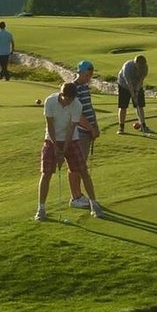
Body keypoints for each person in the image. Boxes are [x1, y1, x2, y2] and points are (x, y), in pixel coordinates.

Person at [36, 81, 102, 221]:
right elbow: (50, 126)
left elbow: (72, 128)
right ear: (61, 94)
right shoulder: (50, 101)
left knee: (83, 171)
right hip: (51, 139)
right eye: (67, 99)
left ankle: (94, 205)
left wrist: (63, 150)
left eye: (72, 99)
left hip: (71, 140)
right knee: (46, 173)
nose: (70, 102)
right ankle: (41, 209)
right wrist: (56, 148)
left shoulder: (77, 104)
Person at [66, 60, 103, 211]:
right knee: (75, 166)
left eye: (91, 75)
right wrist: (90, 128)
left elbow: (89, 108)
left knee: (80, 165)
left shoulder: (85, 87)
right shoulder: (73, 89)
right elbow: (77, 114)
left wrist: (96, 126)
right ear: (80, 72)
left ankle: (79, 196)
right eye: (87, 74)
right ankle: (75, 197)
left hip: (88, 131)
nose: (89, 77)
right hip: (79, 132)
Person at [116, 54, 150, 134]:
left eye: (142, 66)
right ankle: (121, 127)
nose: (141, 68)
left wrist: (137, 92)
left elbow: (141, 81)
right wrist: (133, 95)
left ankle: (143, 126)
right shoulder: (128, 67)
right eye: (139, 66)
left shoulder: (145, 68)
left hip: (136, 84)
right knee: (123, 106)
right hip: (123, 85)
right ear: (136, 64)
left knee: (140, 106)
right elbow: (129, 84)